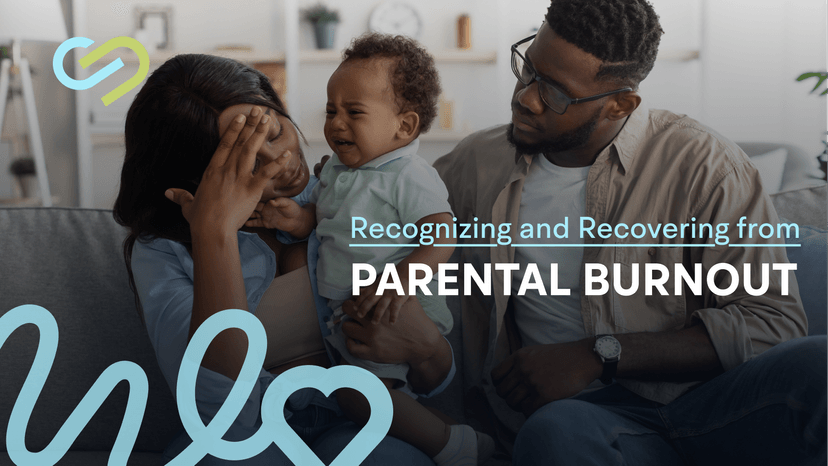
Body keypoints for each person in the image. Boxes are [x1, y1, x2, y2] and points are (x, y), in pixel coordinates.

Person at [433, 0, 826, 464]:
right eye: (528, 70)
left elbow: (773, 323)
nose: (526, 97)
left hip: (710, 404)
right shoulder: (476, 164)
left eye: (556, 92)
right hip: (586, 421)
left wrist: (598, 354)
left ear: (620, 104)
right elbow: (394, 208)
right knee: (554, 432)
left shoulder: (706, 165)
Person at [112, 53, 456, 465]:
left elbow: (438, 385)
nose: (281, 160)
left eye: (275, 132)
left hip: (355, 419)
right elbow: (224, 421)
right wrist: (214, 234)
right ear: (195, 178)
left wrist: (428, 347)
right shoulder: (164, 251)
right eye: (246, 159)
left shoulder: (340, 196)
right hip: (243, 440)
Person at [247, 34, 494, 466]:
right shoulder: (341, 170)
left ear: (404, 126)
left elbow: (443, 234)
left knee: (359, 396)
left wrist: (401, 281)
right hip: (352, 312)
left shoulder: (407, 174)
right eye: (330, 111)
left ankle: (453, 446)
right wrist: (297, 220)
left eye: (354, 112)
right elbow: (325, 223)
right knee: (366, 397)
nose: (336, 124)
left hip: (394, 308)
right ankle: (435, 428)